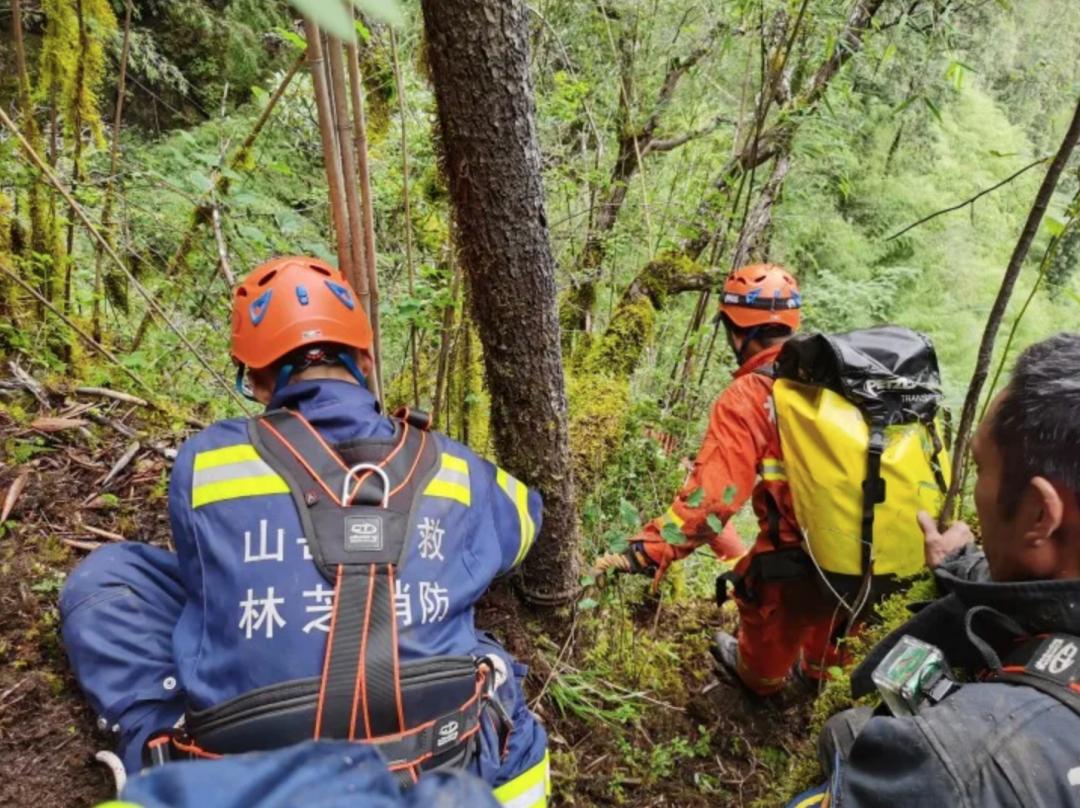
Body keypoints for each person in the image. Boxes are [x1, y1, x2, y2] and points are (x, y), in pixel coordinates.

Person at [60, 257, 549, 807]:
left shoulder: (204, 462)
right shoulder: (458, 469)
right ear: (364, 358)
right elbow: (528, 521)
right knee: (479, 647)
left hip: (250, 762)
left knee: (108, 578)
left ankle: (153, 739)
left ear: (257, 378)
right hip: (443, 760)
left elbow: (208, 581)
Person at [799, 332, 1080, 807]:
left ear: (1039, 515)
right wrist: (961, 564)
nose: (975, 490)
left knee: (845, 732)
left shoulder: (956, 768)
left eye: (979, 467)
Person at [601, 263, 847, 695]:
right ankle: (819, 683)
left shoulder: (750, 396)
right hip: (863, 555)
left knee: (764, 625)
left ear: (739, 332)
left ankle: (765, 690)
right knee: (834, 647)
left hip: (792, 565)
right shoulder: (839, 383)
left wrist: (651, 549)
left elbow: (712, 502)